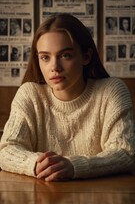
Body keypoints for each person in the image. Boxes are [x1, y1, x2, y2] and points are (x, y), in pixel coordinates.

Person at [0, 13, 135, 182]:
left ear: (86, 57)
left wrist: (74, 166)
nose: (55, 67)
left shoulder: (112, 91)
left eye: (66, 56)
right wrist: (38, 164)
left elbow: (125, 153)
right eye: (45, 57)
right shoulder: (29, 94)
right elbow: (7, 150)